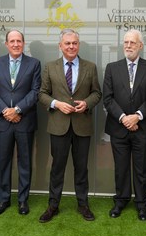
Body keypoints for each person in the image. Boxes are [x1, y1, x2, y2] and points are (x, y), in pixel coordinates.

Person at [38, 28, 102, 222]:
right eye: (67, 43)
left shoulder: (90, 67)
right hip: (58, 125)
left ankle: (83, 205)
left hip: (82, 125)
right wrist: (56, 104)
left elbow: (97, 93)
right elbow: (42, 94)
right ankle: (53, 205)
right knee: (57, 167)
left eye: (74, 43)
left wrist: (87, 103)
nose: (71, 46)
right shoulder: (50, 67)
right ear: (60, 46)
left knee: (81, 168)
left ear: (78, 45)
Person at [103, 29, 146, 221]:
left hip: (142, 128)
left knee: (141, 168)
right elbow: (108, 99)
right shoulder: (112, 67)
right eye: (126, 42)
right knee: (120, 167)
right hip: (118, 127)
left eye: (132, 43)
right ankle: (120, 200)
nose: (128, 46)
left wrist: (136, 116)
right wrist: (124, 118)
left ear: (140, 46)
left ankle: (142, 203)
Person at [0, 30, 41, 216]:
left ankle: (23, 200)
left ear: (24, 43)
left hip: (24, 120)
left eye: (19, 41)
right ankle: (3, 200)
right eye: (12, 41)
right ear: (6, 44)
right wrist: (5, 111)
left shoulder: (34, 64)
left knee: (25, 162)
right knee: (3, 162)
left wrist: (17, 110)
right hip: (3, 122)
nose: (16, 44)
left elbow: (35, 92)